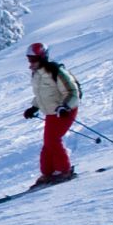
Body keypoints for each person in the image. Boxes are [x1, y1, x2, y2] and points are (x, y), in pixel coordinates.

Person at [22, 42, 81, 186]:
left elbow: (73, 92)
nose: (31, 62)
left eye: (33, 59)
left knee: (52, 141)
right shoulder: (36, 74)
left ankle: (64, 170)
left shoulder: (56, 71)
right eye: (29, 59)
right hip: (51, 113)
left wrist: (65, 107)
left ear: (41, 57)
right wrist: (34, 107)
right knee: (48, 143)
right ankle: (48, 173)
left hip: (65, 111)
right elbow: (43, 94)